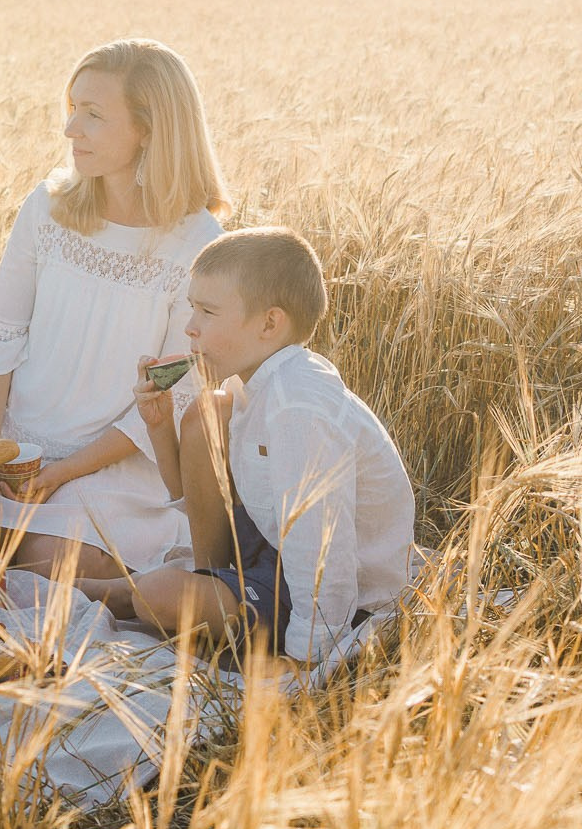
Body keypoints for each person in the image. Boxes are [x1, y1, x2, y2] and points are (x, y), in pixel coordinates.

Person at [80, 227, 417, 666]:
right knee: (205, 414)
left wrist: (304, 660)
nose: (190, 327)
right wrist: (160, 427)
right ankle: (162, 588)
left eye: (208, 311)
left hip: (346, 601)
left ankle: (135, 596)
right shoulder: (253, 384)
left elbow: (322, 555)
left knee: (156, 597)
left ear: (269, 323)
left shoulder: (297, 408)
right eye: (192, 308)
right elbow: (195, 490)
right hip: (271, 551)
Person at [0, 39, 229, 574]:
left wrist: (60, 475)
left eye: (93, 115)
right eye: (72, 109)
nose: (70, 130)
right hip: (10, 439)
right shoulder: (48, 207)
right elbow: (0, 330)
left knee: (51, 562)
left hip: (114, 463)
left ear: (149, 130)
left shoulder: (199, 240)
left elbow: (172, 391)